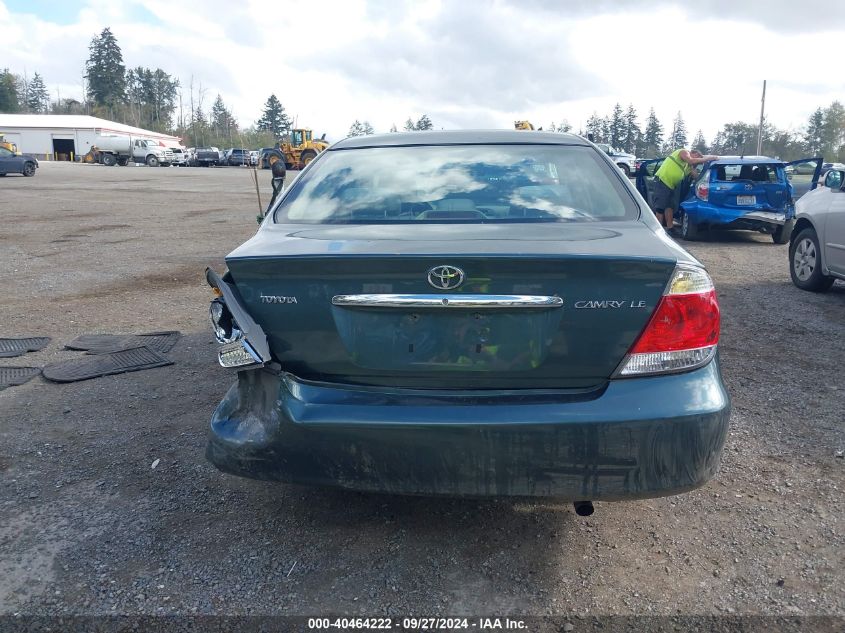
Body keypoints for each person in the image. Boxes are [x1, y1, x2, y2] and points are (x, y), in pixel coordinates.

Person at [652, 149, 718, 231]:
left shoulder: (688, 167)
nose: (697, 161)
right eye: (697, 157)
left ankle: (670, 228)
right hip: (662, 181)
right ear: (693, 153)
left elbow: (697, 177)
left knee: (669, 206)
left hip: (671, 186)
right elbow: (691, 160)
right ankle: (657, 229)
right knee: (660, 207)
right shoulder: (683, 152)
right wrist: (709, 158)